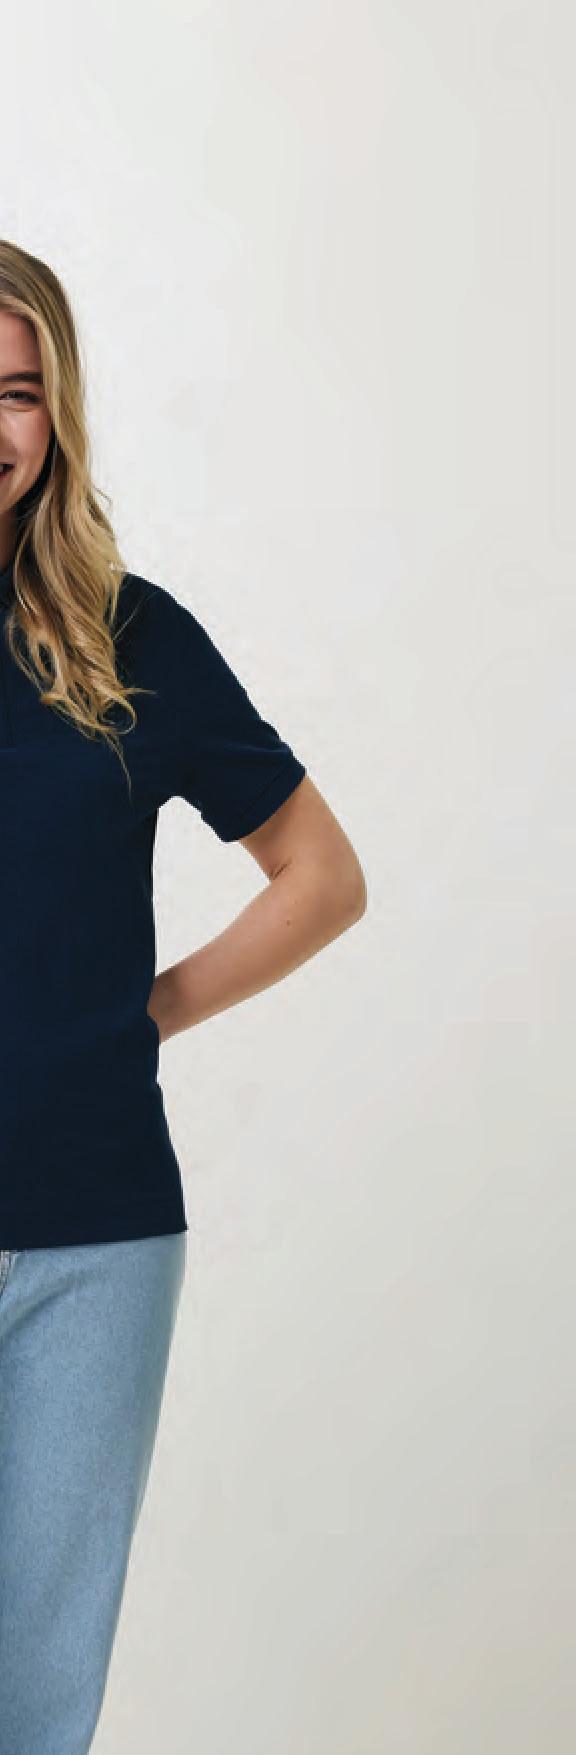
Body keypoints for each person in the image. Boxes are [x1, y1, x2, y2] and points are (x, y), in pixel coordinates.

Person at [0, 238, 367, 1755]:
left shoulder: (127, 635)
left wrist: (141, 1014)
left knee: (33, 1700)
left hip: (95, 1240)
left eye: (17, 391)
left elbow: (320, 876)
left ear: (59, 413)